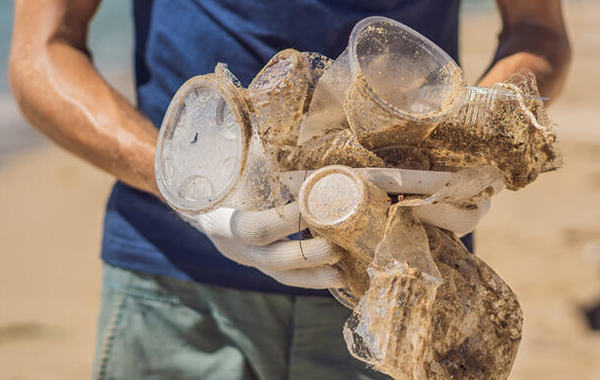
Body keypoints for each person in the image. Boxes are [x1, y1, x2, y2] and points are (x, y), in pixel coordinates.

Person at [9, 0, 570, 378]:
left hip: (409, 278)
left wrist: (475, 140)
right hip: (174, 290)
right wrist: (187, 190)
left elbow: (538, 28)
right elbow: (42, 52)